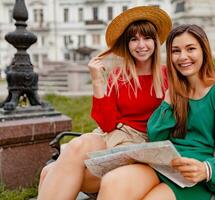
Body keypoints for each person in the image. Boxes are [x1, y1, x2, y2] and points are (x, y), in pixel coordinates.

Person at [37, 6, 171, 200]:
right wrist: (97, 80)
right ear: (127, 44)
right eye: (134, 39)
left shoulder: (168, 76)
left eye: (146, 38)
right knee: (74, 148)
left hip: (140, 144)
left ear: (156, 41)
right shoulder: (119, 75)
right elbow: (107, 124)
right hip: (112, 134)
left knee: (49, 173)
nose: (141, 45)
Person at [96, 24, 215, 200]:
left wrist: (206, 169)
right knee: (114, 181)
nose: (183, 57)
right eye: (175, 51)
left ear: (204, 50)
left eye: (190, 49)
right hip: (165, 167)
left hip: (198, 177)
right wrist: (167, 102)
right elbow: (156, 137)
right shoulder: (175, 92)